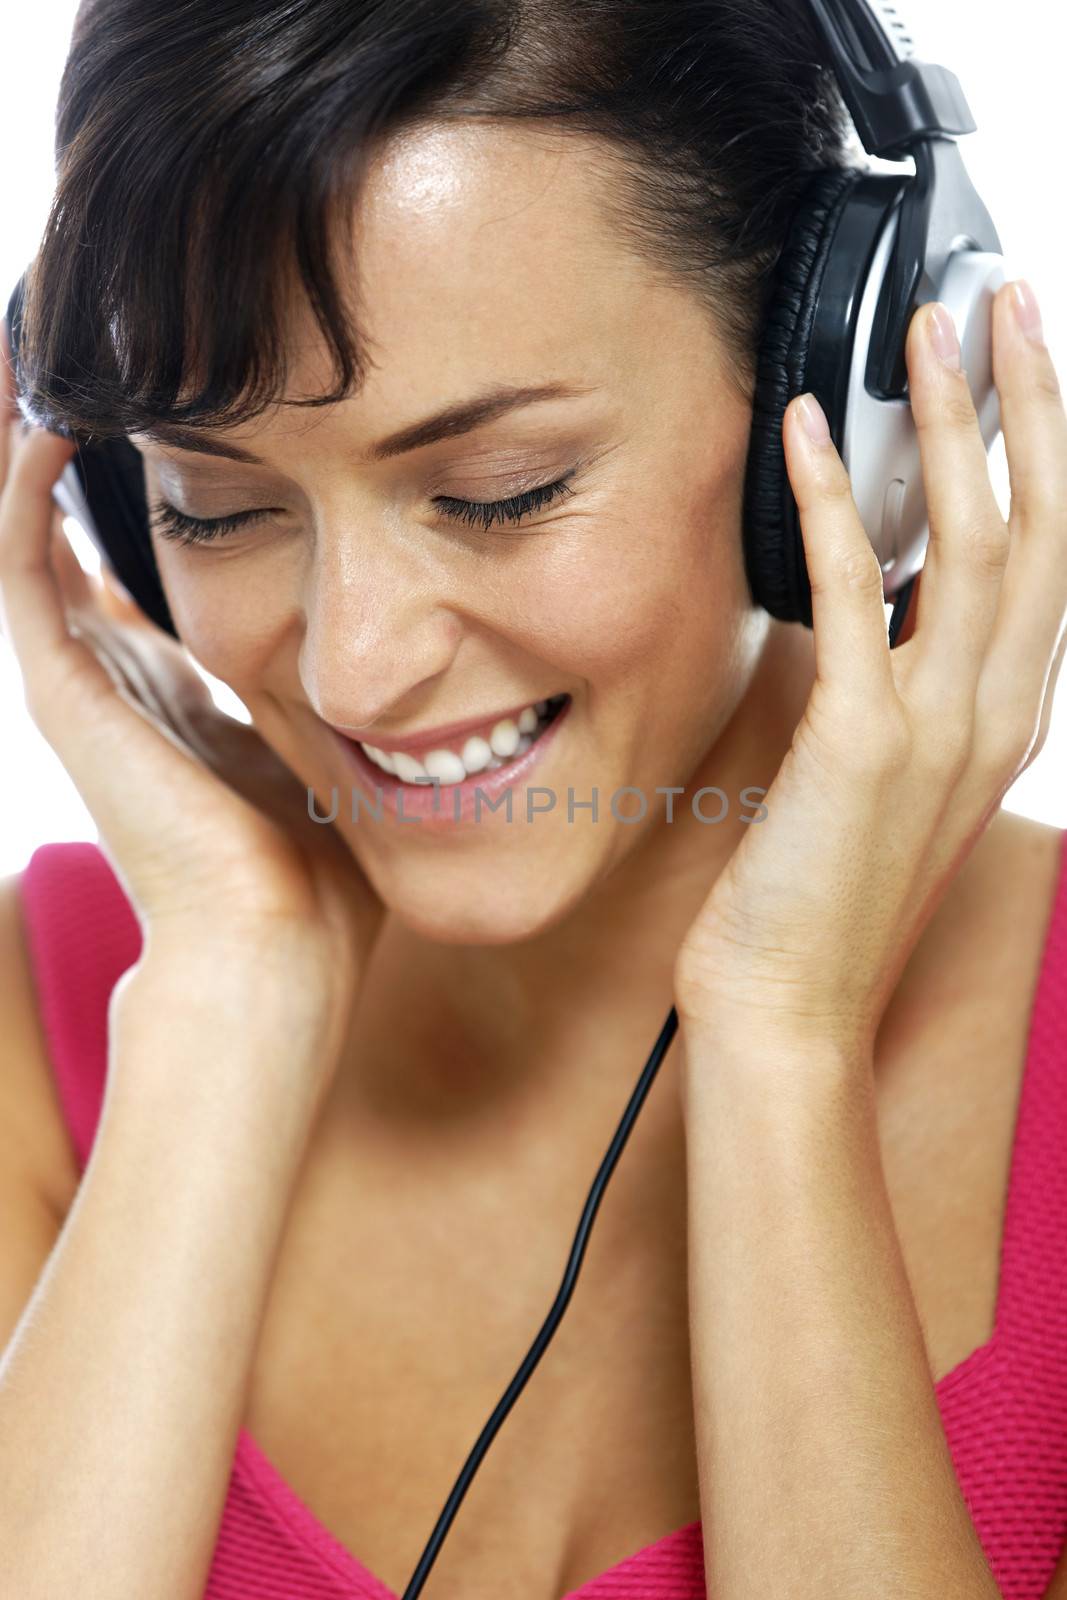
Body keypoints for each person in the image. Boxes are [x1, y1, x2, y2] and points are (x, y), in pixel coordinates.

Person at [1, 1, 1066, 1597]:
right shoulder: (58, 1015)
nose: (357, 674)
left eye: (497, 493)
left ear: (851, 415)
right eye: (218, 509)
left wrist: (784, 1041)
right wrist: (228, 999)